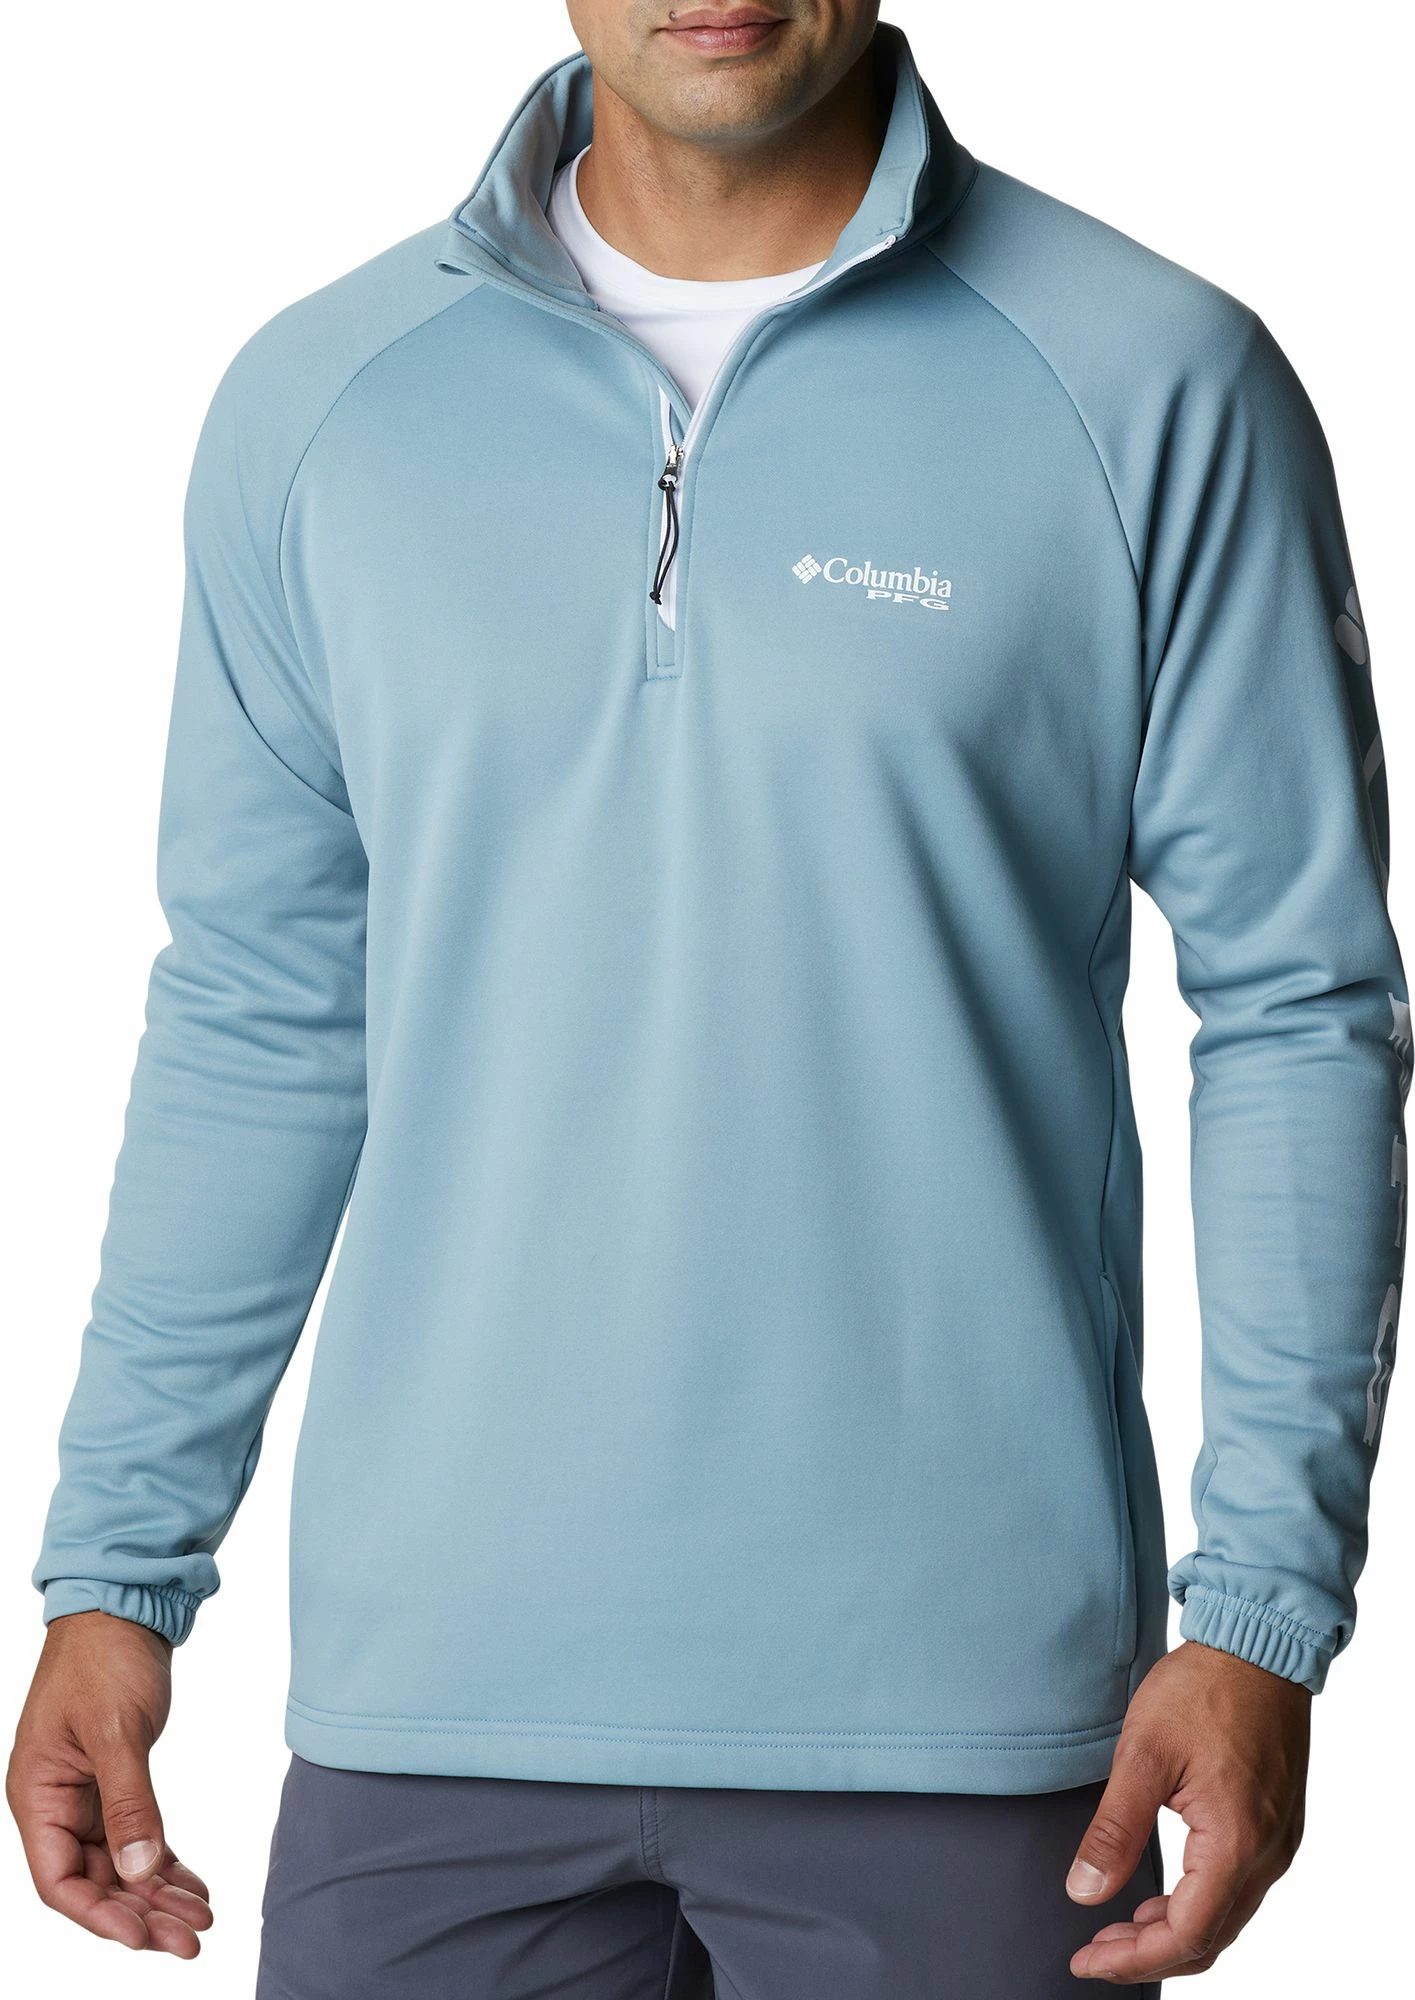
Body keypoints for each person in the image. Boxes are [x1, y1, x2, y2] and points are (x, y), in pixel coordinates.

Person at [8, 4, 1408, 1993]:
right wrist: (113, 1568)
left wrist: (1261, 1606)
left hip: (966, 1719)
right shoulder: (323, 400)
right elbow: (261, 1010)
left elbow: (1293, 1001)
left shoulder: (1152, 376)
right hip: (432, 1712)